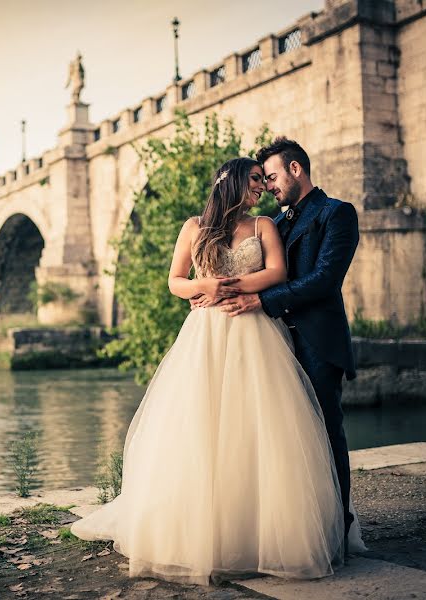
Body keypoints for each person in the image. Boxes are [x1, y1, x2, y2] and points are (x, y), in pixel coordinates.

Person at [71, 157, 350, 585]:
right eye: (255, 180)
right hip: (205, 333)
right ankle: (207, 533)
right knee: (202, 426)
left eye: (264, 180)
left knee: (260, 428)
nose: (260, 188)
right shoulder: (193, 227)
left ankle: (265, 533)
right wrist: (203, 287)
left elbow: (276, 271)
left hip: (254, 329)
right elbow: (175, 280)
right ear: (233, 182)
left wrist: (231, 287)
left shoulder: (264, 226)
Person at [212, 138, 360, 545]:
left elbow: (324, 279)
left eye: (272, 176)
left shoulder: (337, 214)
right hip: (272, 345)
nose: (267, 187)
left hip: (316, 341)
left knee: (327, 436)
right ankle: (294, 529)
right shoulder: (273, 224)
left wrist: (261, 298)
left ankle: (338, 530)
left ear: (296, 170)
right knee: (282, 439)